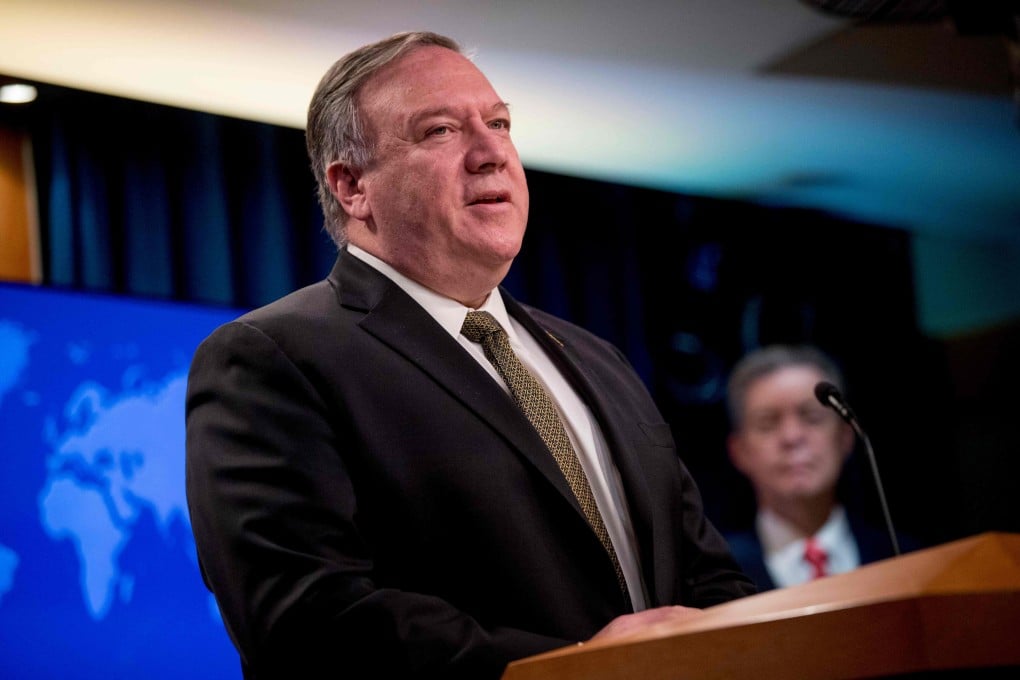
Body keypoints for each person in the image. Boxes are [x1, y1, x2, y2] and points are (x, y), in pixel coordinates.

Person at [185, 31, 755, 680]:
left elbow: (703, 571)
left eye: (500, 123)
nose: (492, 154)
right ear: (351, 186)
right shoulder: (273, 359)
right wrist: (579, 669)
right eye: (440, 132)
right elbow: (306, 617)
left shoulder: (597, 359)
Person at [723, 344, 902, 592]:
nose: (792, 436)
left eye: (812, 417)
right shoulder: (717, 580)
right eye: (767, 423)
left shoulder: (904, 558)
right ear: (739, 451)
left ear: (845, 437)